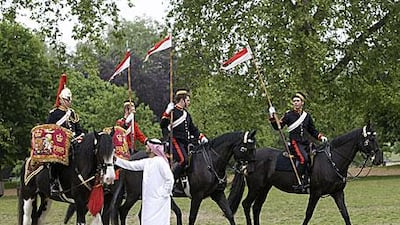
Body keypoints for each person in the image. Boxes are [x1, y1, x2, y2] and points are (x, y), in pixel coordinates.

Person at [269, 92, 328, 191]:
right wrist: (272, 116)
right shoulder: (289, 115)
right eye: (294, 101)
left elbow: (312, 130)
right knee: (303, 158)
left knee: (316, 156)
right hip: (295, 143)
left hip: (306, 143)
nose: (295, 103)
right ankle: (299, 182)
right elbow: (278, 127)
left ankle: (311, 179)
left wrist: (320, 137)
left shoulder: (307, 116)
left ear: (302, 103)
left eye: (298, 101)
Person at [114, 139, 174, 225]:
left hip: (160, 201)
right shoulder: (147, 162)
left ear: (152, 148)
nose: (145, 147)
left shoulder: (161, 162)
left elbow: (170, 179)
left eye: (147, 146)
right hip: (149, 200)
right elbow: (131, 165)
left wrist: (163, 193)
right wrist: (116, 160)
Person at [160, 89, 208, 180]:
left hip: (185, 142)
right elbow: (163, 125)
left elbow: (192, 129)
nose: (189, 103)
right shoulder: (172, 112)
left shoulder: (186, 114)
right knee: (183, 160)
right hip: (175, 141)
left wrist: (201, 137)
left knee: (193, 160)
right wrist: (167, 112)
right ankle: (170, 182)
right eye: (188, 100)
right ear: (182, 100)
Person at [46, 85, 84, 195]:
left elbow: (79, 129)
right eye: (67, 100)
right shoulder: (54, 114)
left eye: (70, 100)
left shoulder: (72, 113)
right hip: (60, 143)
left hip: (74, 141)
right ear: (61, 100)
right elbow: (50, 129)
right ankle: (54, 182)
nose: (69, 102)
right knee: (56, 160)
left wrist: (79, 136)